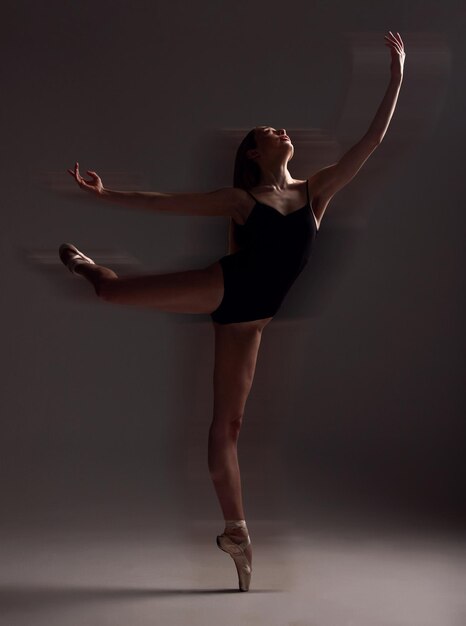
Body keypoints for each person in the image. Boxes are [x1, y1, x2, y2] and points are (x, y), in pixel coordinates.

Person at [59, 31, 405, 592]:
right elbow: (167, 203)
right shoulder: (242, 201)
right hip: (225, 289)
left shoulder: (318, 192)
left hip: (253, 320)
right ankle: (92, 269)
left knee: (230, 426)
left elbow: (372, 141)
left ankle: (236, 534)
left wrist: (396, 77)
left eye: (279, 128)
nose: (281, 130)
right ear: (254, 152)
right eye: (269, 131)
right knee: (109, 294)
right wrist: (104, 195)